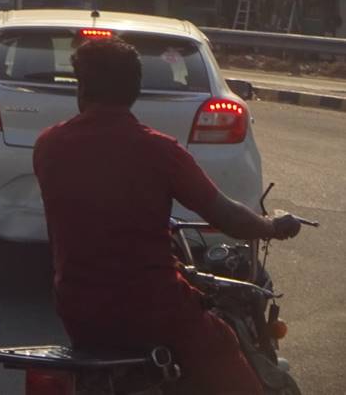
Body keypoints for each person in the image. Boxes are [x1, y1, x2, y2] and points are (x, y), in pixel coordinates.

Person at [34, 38, 304, 395]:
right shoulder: (158, 151)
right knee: (223, 346)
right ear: (134, 90)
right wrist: (272, 226)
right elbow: (228, 217)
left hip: (80, 314)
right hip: (154, 309)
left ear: (82, 89)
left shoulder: (49, 145)